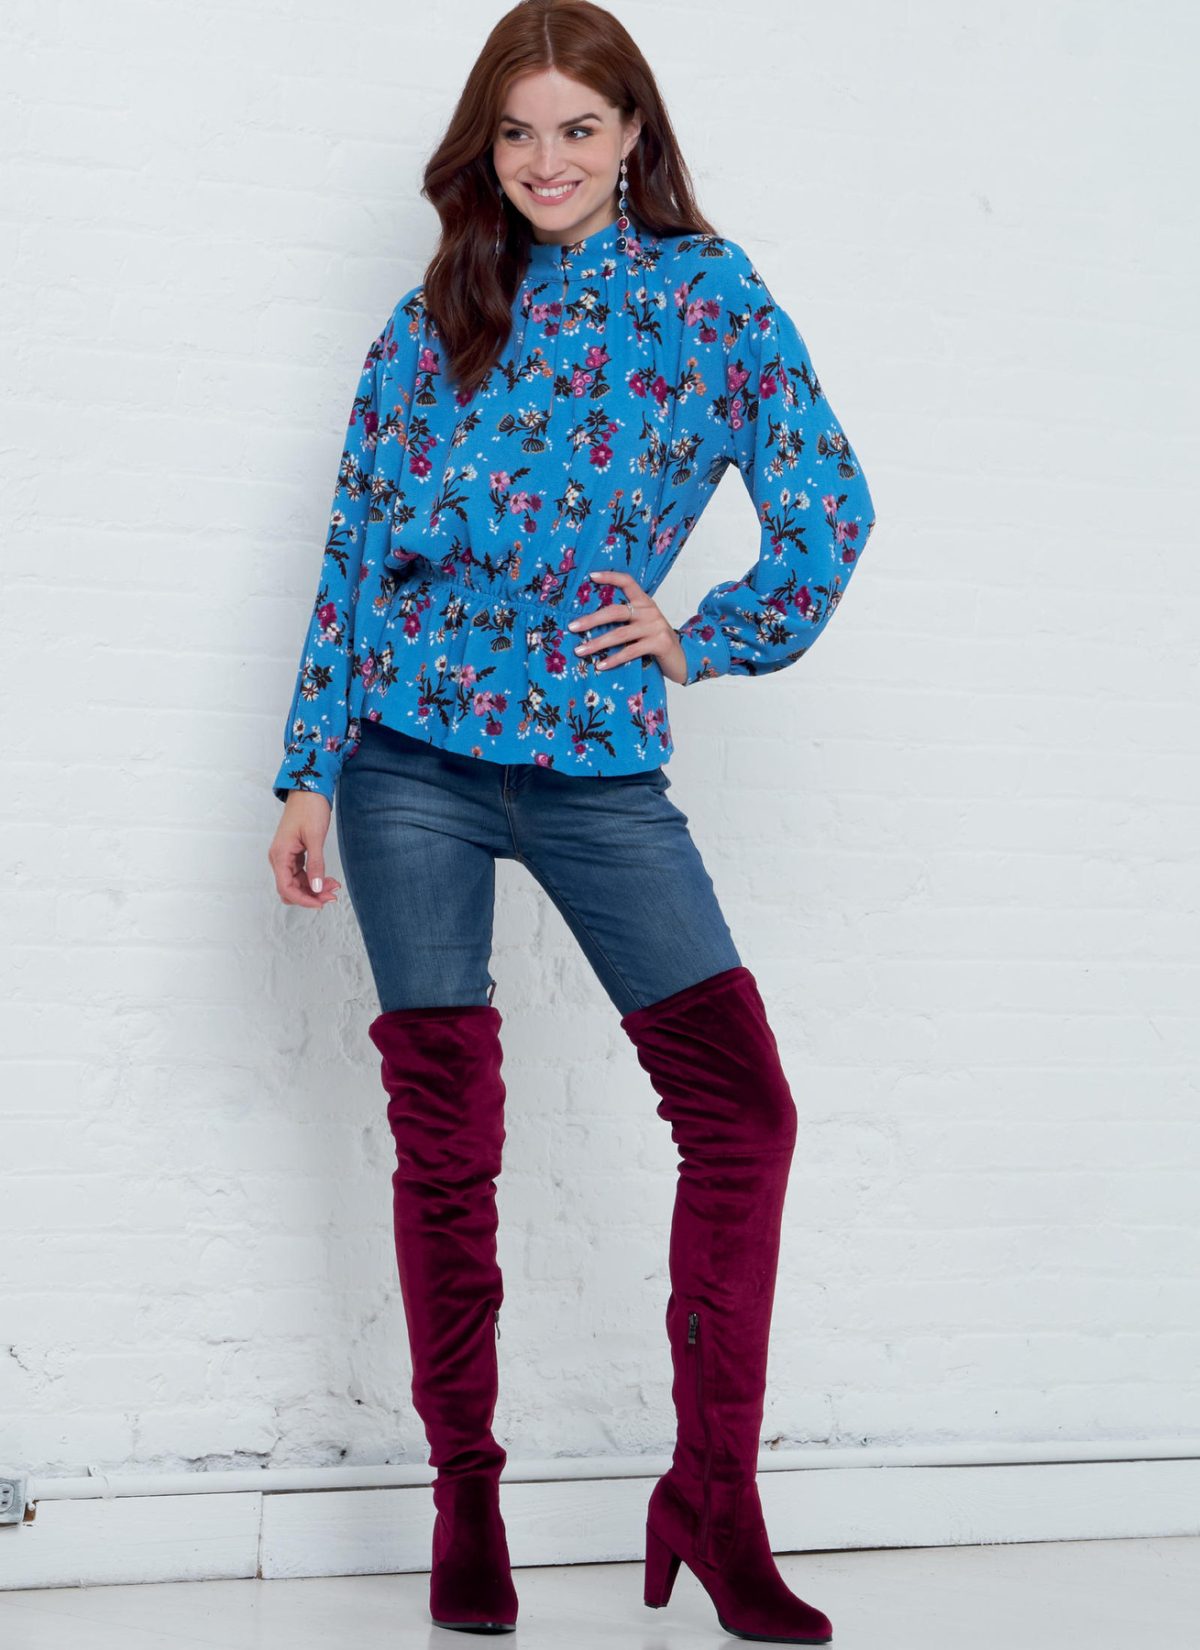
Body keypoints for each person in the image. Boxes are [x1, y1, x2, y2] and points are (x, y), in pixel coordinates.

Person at [267, 0, 874, 1640]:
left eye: (578, 130)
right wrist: (309, 767)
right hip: (406, 762)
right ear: (487, 147)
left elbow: (830, 503)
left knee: (741, 1113)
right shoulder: (435, 315)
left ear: (632, 138)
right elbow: (355, 543)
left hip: (599, 768)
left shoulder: (708, 299)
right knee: (447, 1137)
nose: (547, 162)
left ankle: (714, 1497)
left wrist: (705, 633)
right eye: (519, 132)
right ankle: (466, 1495)